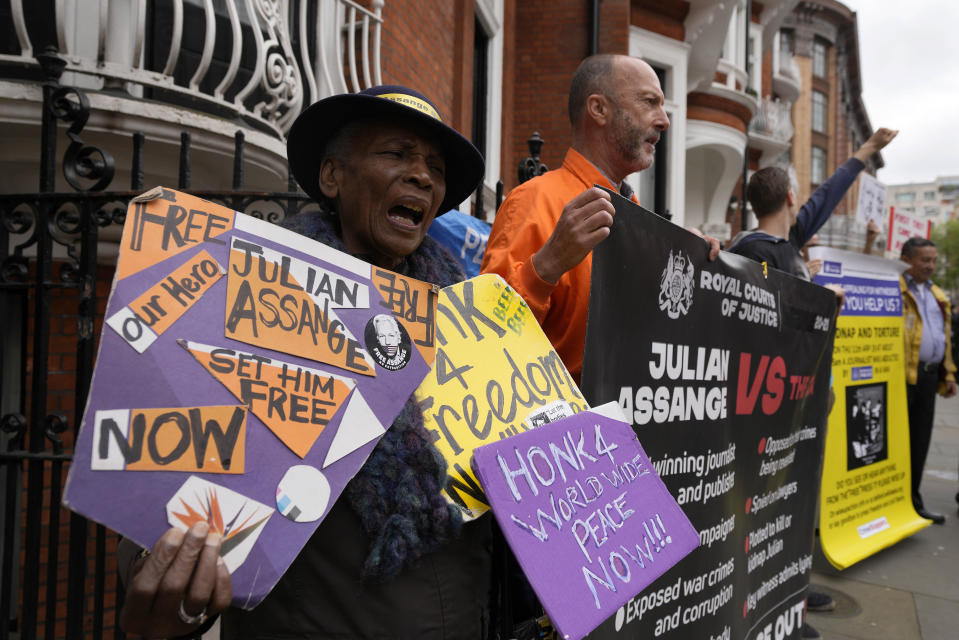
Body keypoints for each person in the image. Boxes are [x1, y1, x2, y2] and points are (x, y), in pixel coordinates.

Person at [117, 85, 491, 638]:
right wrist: (169, 582)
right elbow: (183, 486)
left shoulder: (473, 321)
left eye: (434, 166)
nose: (423, 177)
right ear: (332, 178)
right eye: (396, 154)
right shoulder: (253, 307)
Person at [481, 54, 718, 383]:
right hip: (561, 429)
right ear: (598, 109)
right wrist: (547, 265)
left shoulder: (640, 223)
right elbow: (485, 338)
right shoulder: (534, 201)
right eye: (649, 102)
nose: (664, 120)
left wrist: (694, 267)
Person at [726, 128, 898, 276]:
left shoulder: (789, 237)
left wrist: (870, 148)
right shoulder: (753, 251)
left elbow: (827, 196)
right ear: (790, 197)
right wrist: (802, 280)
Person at [900, 237, 957, 524]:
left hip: (929, 376)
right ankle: (898, 501)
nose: (931, 266)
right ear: (907, 260)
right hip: (902, 377)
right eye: (925, 260)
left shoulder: (937, 295)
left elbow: (944, 337)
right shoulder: (894, 289)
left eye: (933, 260)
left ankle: (914, 500)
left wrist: (948, 375)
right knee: (900, 441)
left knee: (920, 440)